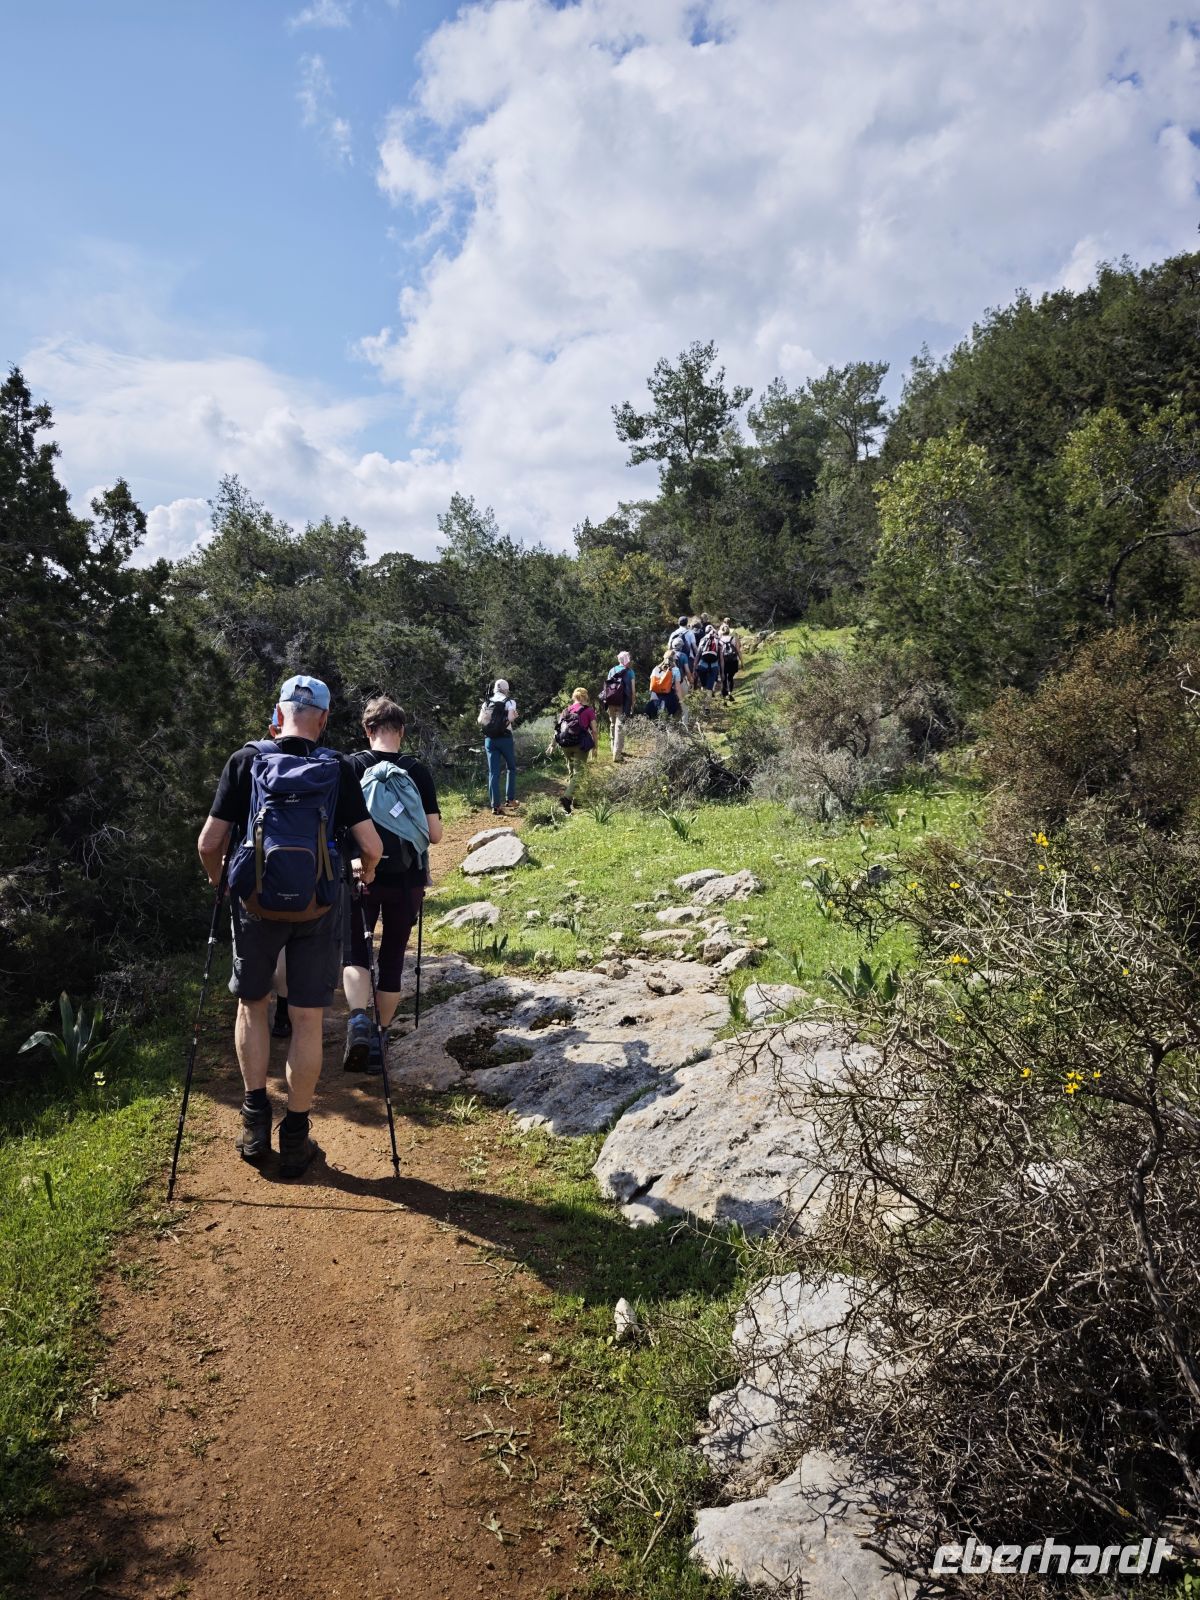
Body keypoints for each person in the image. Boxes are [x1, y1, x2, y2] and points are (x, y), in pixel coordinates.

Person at [197, 674, 382, 1179]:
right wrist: (364, 877)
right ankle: (296, 1135)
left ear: (277, 715)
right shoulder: (338, 769)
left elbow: (209, 844)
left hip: (255, 904)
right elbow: (372, 847)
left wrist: (226, 887)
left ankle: (255, 1120)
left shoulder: (247, 761)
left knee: (252, 1005)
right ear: (322, 719)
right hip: (319, 907)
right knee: (306, 1018)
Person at [342, 696, 443, 1073]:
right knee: (393, 956)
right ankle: (381, 1036)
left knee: (355, 951)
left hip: (359, 876)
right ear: (401, 731)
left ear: (367, 730)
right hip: (407, 880)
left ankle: (356, 1021)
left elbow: (339, 829)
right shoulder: (416, 770)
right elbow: (434, 835)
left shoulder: (350, 767)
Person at [550, 687, 597, 807]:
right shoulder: (589, 710)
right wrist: (595, 747)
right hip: (580, 745)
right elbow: (594, 731)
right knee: (579, 773)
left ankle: (577, 800)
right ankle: (567, 797)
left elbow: (558, 729)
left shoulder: (566, 710)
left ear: (573, 697)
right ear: (585, 697)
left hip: (565, 744)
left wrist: (552, 745)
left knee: (572, 772)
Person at [477, 678, 518, 814]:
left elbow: (480, 720)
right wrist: (511, 717)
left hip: (490, 740)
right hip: (505, 738)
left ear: (494, 688)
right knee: (511, 768)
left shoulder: (486, 702)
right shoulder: (510, 702)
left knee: (493, 773)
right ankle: (510, 799)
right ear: (506, 689)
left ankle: (495, 806)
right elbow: (511, 718)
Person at [600, 651, 636, 761]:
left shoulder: (612, 670)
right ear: (627, 660)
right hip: (623, 702)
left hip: (611, 701)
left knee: (612, 723)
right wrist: (633, 702)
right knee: (620, 726)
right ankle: (617, 753)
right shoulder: (630, 672)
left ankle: (613, 748)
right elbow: (633, 690)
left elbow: (607, 686)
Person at [647, 653, 682, 721]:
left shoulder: (656, 669)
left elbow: (652, 684)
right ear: (674, 659)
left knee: (654, 717)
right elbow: (677, 688)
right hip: (669, 697)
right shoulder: (675, 670)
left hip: (655, 696)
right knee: (668, 717)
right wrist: (681, 701)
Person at [695, 624, 723, 695]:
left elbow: (698, 654)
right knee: (709, 688)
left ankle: (701, 701)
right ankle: (707, 705)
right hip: (714, 665)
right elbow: (721, 659)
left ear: (705, 632)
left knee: (703, 685)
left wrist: (694, 668)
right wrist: (721, 672)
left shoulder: (702, 640)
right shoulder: (718, 641)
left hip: (702, 665)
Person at [719, 619, 741, 697]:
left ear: (722, 632)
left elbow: (721, 656)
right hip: (733, 661)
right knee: (730, 677)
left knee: (724, 678)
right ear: (729, 631)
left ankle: (724, 696)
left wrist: (721, 669)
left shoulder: (720, 640)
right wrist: (742, 661)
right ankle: (730, 693)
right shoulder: (733, 639)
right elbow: (738, 651)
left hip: (724, 661)